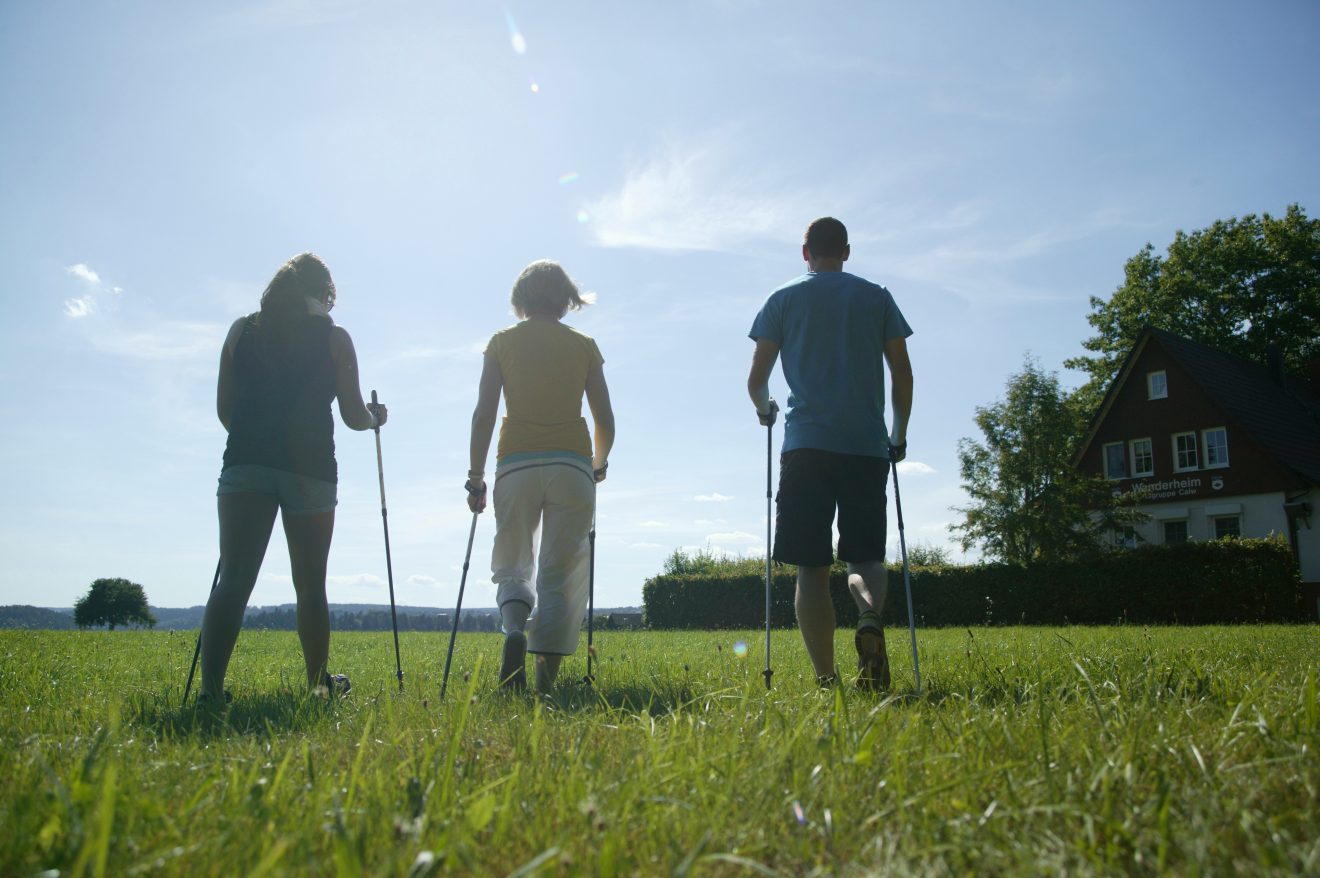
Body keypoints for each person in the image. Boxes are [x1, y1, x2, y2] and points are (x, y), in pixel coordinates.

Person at [200, 253, 386, 702]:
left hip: (245, 461)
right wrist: (376, 418)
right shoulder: (335, 338)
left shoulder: (243, 330)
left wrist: (256, 443)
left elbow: (226, 410)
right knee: (310, 581)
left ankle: (210, 692)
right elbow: (351, 415)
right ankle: (318, 686)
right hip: (311, 470)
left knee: (235, 577)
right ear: (324, 294)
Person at [746, 218, 913, 690]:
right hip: (865, 446)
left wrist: (765, 411)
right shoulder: (876, 296)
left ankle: (827, 679)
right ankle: (868, 614)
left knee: (812, 568)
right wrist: (897, 436)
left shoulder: (782, 299)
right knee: (865, 559)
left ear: (805, 252)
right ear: (846, 251)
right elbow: (903, 375)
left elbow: (756, 382)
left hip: (806, 447)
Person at [467, 260, 615, 695]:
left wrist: (476, 477)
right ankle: (544, 685)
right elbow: (605, 419)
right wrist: (598, 463)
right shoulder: (584, 345)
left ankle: (514, 628)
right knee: (560, 571)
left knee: (513, 563)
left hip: (515, 464)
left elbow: (484, 415)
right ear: (565, 299)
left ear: (522, 298)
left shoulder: (501, 343)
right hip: (572, 464)